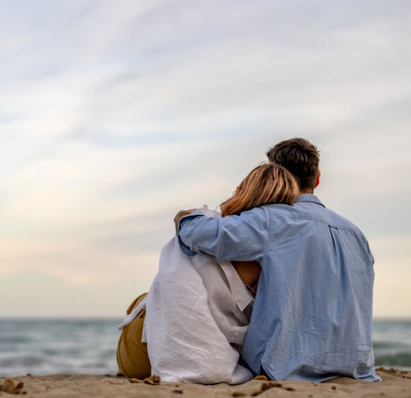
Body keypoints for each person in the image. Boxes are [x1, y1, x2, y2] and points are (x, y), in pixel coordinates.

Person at [175, 138, 380, 382]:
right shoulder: (356, 234)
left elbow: (200, 235)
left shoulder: (271, 220)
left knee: (187, 256)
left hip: (284, 368)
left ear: (278, 176)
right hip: (355, 369)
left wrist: (185, 218)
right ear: (317, 179)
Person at [116, 162, 300, 383]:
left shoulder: (212, 227)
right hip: (211, 349)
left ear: (245, 191)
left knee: (144, 300)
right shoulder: (284, 253)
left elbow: (182, 221)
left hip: (147, 347)